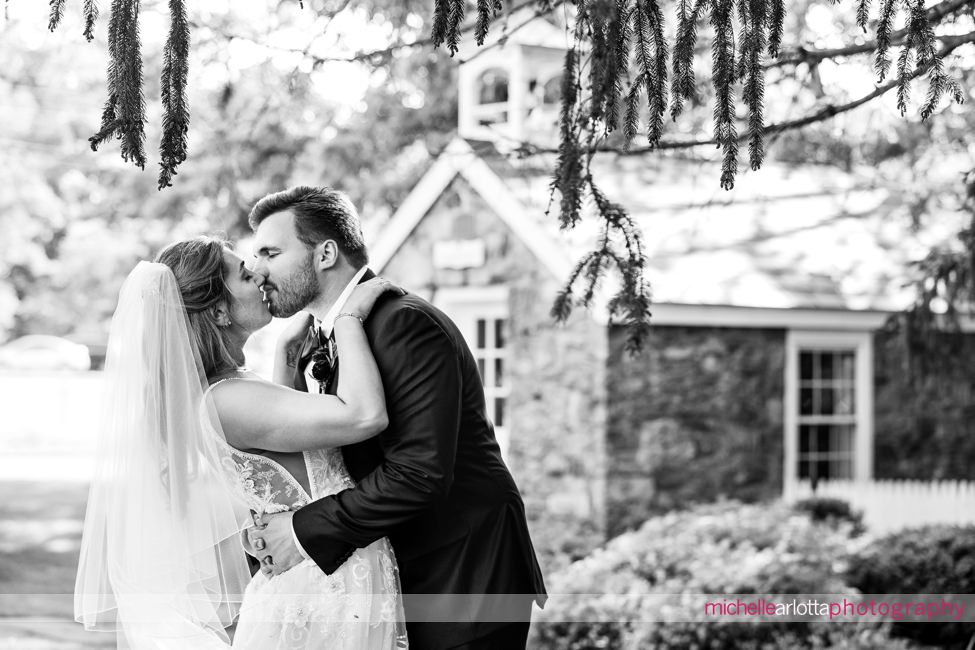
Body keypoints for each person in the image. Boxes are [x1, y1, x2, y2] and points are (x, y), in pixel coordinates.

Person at [244, 186, 547, 650]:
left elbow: (420, 473)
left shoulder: (403, 324)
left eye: (271, 252)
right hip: (401, 575)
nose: (257, 268)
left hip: (461, 580)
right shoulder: (318, 337)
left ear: (325, 253)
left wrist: (302, 532)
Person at [74, 236, 408, 649]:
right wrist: (350, 318)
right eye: (246, 275)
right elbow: (365, 415)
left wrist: (286, 355)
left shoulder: (217, 394)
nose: (261, 276)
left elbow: (283, 452)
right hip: (325, 587)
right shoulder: (229, 400)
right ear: (217, 310)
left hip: (321, 572)